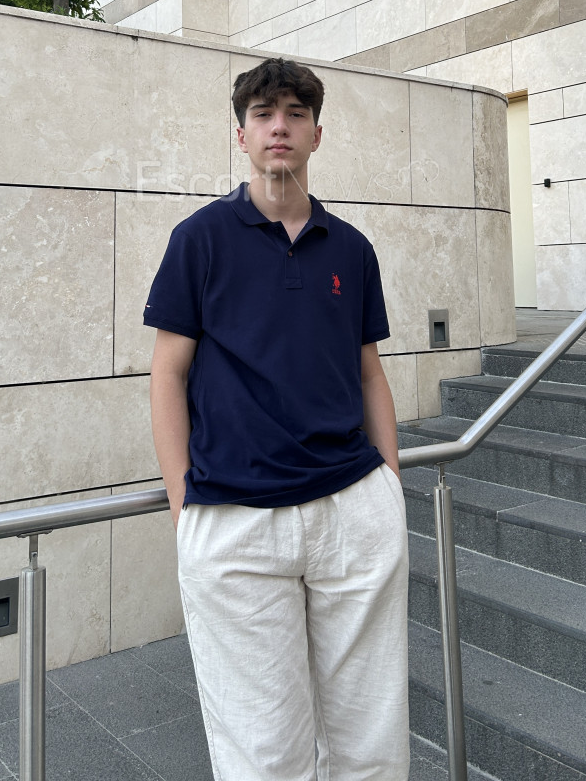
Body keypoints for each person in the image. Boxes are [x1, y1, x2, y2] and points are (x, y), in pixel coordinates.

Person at [145, 57, 409, 781]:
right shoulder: (199, 239)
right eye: (263, 115)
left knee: (371, 740)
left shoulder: (351, 249)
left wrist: (389, 487)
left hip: (353, 511)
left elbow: (369, 372)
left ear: (318, 133)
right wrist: (183, 505)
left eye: (295, 113)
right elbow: (167, 374)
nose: (279, 127)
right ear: (242, 136)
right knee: (264, 753)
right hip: (235, 521)